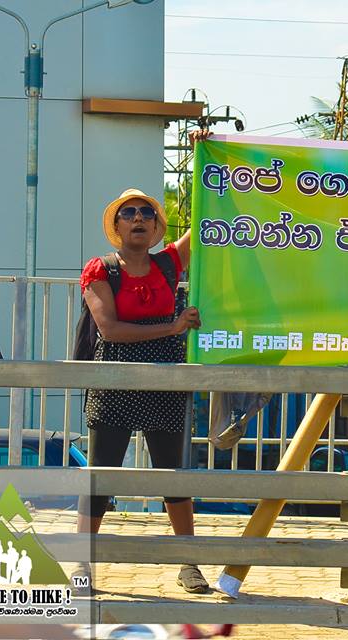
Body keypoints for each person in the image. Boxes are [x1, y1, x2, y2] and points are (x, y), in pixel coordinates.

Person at [75, 187, 207, 594]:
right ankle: (82, 566)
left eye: (146, 212)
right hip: (115, 379)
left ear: (155, 227)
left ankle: (188, 562)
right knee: (101, 475)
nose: (137, 218)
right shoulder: (101, 269)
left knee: (172, 473)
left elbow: (208, 220)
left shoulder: (168, 264)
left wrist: (207, 152)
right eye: (128, 212)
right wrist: (172, 326)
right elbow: (109, 329)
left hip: (165, 379)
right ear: (116, 226)